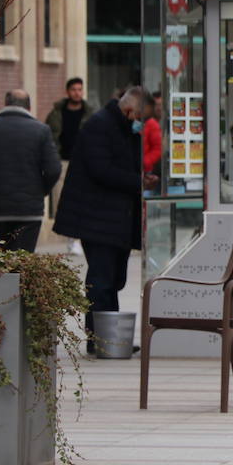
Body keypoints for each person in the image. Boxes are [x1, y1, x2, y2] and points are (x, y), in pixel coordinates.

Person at [54, 87, 150, 355]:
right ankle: (101, 340)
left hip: (113, 218)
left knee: (113, 279)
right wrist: (138, 182)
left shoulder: (122, 128)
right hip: (96, 217)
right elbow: (101, 170)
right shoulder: (100, 126)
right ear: (130, 110)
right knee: (102, 279)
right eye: (140, 115)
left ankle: (108, 336)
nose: (140, 121)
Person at [0, 89, 61, 252]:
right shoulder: (41, 130)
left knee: (3, 257)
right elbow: (54, 169)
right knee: (24, 259)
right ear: (29, 107)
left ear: (6, 104)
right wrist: (41, 191)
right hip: (30, 210)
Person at [45, 77, 92, 218]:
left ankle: (77, 235)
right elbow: (47, 136)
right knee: (59, 199)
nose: (77, 93)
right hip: (61, 161)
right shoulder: (55, 113)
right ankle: (59, 233)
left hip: (82, 163)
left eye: (79, 89)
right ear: (67, 91)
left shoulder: (90, 114)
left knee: (81, 200)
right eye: (73, 90)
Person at [142, 91, 163, 182]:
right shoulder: (144, 122)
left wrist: (144, 162)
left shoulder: (153, 123)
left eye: (160, 105)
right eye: (156, 105)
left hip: (149, 170)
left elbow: (157, 149)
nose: (158, 108)